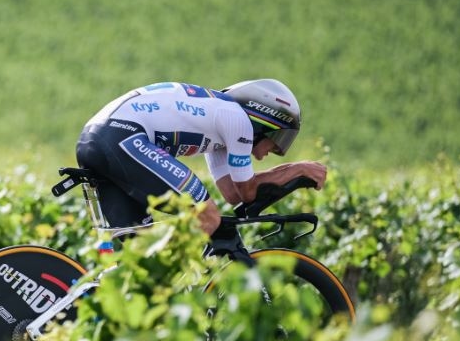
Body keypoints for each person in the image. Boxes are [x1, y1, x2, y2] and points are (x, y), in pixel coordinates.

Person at [75, 79, 328, 236]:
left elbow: (232, 194)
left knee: (134, 243)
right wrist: (298, 169)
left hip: (98, 139)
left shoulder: (216, 130)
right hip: (121, 137)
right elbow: (248, 191)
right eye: (275, 144)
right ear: (264, 122)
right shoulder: (237, 119)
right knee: (207, 216)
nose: (263, 156)